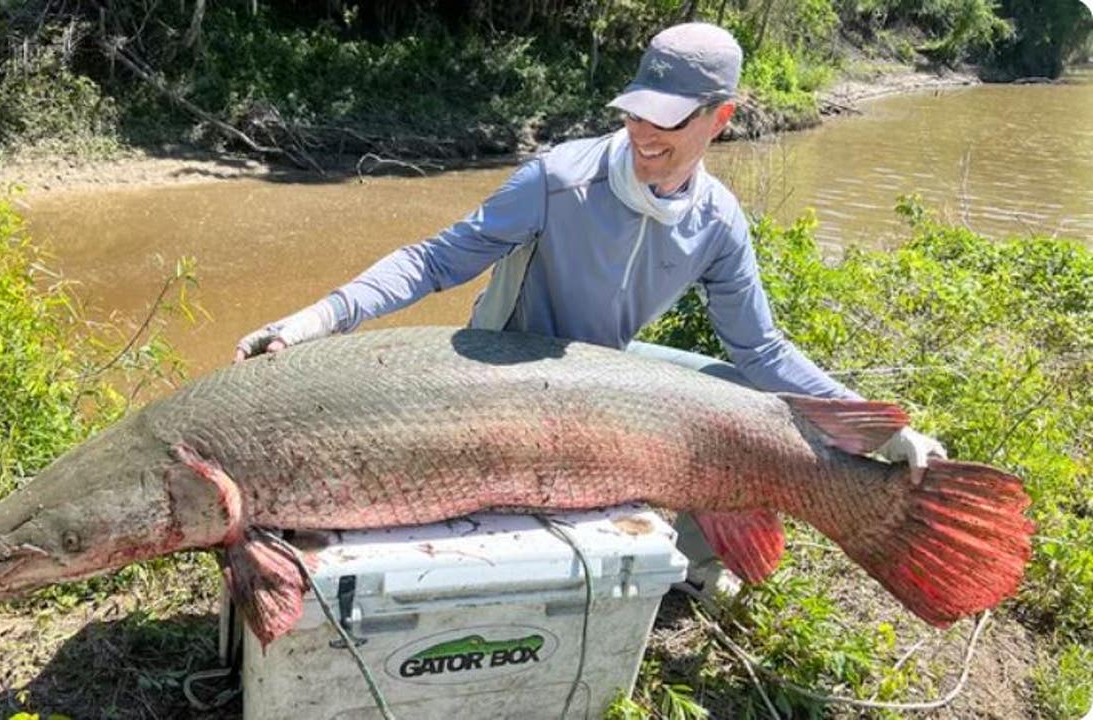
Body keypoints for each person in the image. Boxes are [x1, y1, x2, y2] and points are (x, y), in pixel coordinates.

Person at [234, 22, 946, 592]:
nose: (644, 134)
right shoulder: (557, 179)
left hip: (606, 374)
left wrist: (875, 430)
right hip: (501, 367)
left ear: (720, 118)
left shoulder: (718, 222)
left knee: (744, 400)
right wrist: (318, 319)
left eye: (667, 120)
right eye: (637, 112)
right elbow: (434, 260)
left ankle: (693, 570)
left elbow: (759, 350)